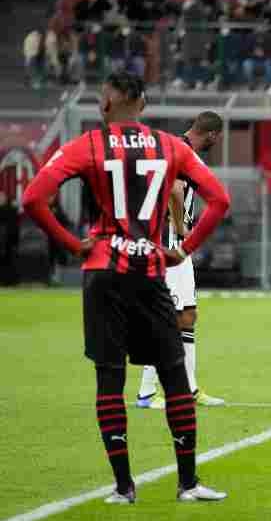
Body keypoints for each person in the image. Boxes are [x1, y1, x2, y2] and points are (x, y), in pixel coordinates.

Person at [21, 72, 229, 503]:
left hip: (103, 271)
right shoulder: (171, 146)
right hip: (151, 268)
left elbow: (32, 199)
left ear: (110, 101)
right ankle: (188, 483)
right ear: (144, 102)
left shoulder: (88, 145)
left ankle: (124, 487)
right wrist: (184, 247)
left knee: (109, 379)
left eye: (102, 96)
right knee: (174, 375)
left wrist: (72, 245)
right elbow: (220, 201)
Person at [137, 112, 227, 410]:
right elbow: (175, 189)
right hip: (169, 243)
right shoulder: (180, 150)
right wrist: (182, 226)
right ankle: (146, 393)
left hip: (179, 247)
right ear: (212, 134)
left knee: (188, 315)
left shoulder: (177, 147)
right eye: (218, 137)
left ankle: (190, 389)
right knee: (166, 317)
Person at [0, 191, 19, 285]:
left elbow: (14, 226)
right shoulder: (11, 209)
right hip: (5, 241)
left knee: (9, 261)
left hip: (9, 241)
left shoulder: (10, 210)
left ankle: (9, 280)